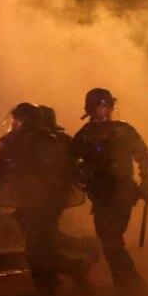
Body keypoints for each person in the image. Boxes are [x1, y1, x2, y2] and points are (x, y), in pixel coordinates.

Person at [0, 102, 89, 296]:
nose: (13, 124)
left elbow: (51, 174)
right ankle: (65, 275)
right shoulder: (14, 142)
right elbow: (4, 168)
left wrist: (46, 196)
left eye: (17, 120)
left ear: (27, 121)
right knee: (46, 246)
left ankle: (52, 292)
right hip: (29, 201)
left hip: (46, 202)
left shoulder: (45, 142)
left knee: (36, 251)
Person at [71, 88, 148, 296]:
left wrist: (146, 181)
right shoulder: (85, 135)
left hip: (122, 192)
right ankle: (127, 285)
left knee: (111, 239)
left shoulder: (123, 130)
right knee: (109, 242)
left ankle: (131, 286)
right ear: (90, 109)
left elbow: (143, 154)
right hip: (100, 195)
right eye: (100, 105)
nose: (105, 110)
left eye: (108, 104)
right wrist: (80, 173)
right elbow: (70, 159)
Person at [39, 105, 101, 264]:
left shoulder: (60, 141)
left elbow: (72, 166)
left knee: (44, 234)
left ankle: (74, 263)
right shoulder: (38, 141)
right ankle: (76, 258)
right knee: (43, 234)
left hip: (54, 193)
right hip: (39, 193)